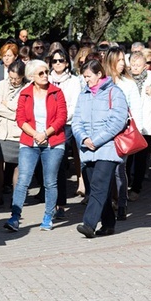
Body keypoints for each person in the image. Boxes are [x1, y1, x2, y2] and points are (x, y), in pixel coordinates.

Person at [3, 59, 67, 232]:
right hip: (29, 142)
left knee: (50, 181)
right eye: (41, 73)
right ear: (31, 76)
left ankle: (48, 216)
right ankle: (15, 217)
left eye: (47, 72)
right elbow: (20, 119)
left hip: (53, 141)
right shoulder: (24, 93)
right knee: (23, 179)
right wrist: (35, 134)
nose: (45, 75)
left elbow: (62, 117)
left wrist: (45, 134)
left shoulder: (57, 92)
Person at [71, 59, 128, 238]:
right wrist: (84, 138)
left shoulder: (115, 92)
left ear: (99, 74)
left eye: (89, 76)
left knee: (98, 185)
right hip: (88, 149)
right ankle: (109, 223)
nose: (86, 80)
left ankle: (89, 224)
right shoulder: (83, 95)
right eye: (84, 77)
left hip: (108, 149)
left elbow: (117, 121)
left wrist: (95, 140)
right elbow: (76, 121)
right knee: (95, 187)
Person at [103, 48, 141, 220]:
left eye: (122, 60)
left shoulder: (128, 83)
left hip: (122, 132)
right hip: (103, 132)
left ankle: (121, 204)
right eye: (118, 60)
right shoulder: (103, 81)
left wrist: (135, 131)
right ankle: (108, 202)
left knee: (119, 169)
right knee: (105, 170)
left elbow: (136, 108)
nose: (122, 64)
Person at [47, 49, 81, 219]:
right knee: (47, 166)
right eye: (54, 61)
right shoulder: (46, 79)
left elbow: (74, 105)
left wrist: (59, 121)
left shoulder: (73, 82)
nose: (58, 63)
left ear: (67, 63)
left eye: (61, 60)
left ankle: (59, 204)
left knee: (58, 164)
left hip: (65, 125)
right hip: (46, 127)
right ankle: (49, 202)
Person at [126, 50, 151, 201]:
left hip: (146, 124)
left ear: (144, 66)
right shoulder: (126, 80)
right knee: (127, 156)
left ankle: (136, 188)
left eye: (138, 65)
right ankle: (125, 184)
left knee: (141, 158)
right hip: (129, 123)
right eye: (133, 64)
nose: (135, 68)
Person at [0, 59, 26, 208]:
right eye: (11, 78)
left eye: (16, 79)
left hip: (18, 132)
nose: (13, 81)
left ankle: (15, 198)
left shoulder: (27, 88)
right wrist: (14, 112)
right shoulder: (2, 85)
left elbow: (22, 110)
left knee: (17, 165)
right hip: (2, 130)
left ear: (22, 76)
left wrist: (9, 105)